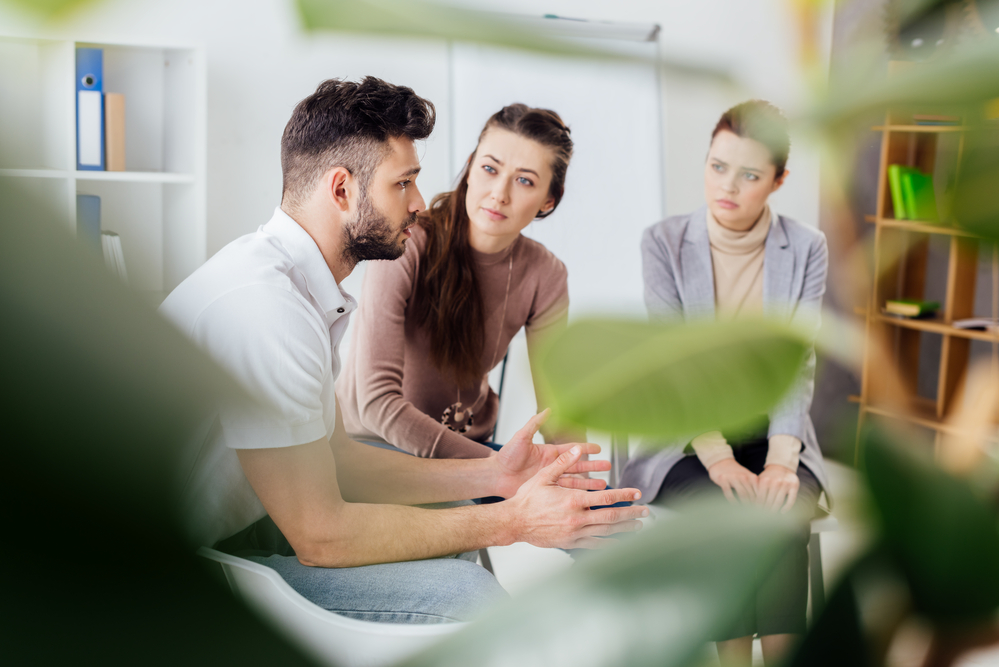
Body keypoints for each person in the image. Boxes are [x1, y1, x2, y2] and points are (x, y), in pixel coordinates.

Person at [159, 77, 647, 624]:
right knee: (469, 596)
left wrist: (495, 477)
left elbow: (337, 463)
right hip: (168, 574)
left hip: (250, 522)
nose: (420, 202)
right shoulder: (270, 310)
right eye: (404, 183)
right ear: (342, 190)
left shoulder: (296, 288)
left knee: (457, 543)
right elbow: (322, 535)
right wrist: (516, 520)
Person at [619, 100, 829, 665]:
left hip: (776, 431)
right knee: (731, 516)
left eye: (750, 175)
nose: (728, 187)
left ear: (779, 180)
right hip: (690, 436)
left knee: (782, 515)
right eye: (717, 166)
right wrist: (718, 458)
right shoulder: (662, 242)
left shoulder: (806, 246)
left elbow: (795, 359)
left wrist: (783, 461)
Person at [338, 103, 577, 459]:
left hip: (473, 447)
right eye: (489, 169)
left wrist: (579, 481)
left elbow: (558, 413)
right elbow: (376, 402)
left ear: (548, 200)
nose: (500, 193)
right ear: (470, 168)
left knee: (607, 510)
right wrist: (494, 469)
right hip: (378, 449)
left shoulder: (546, 273)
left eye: (525, 180)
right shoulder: (407, 243)